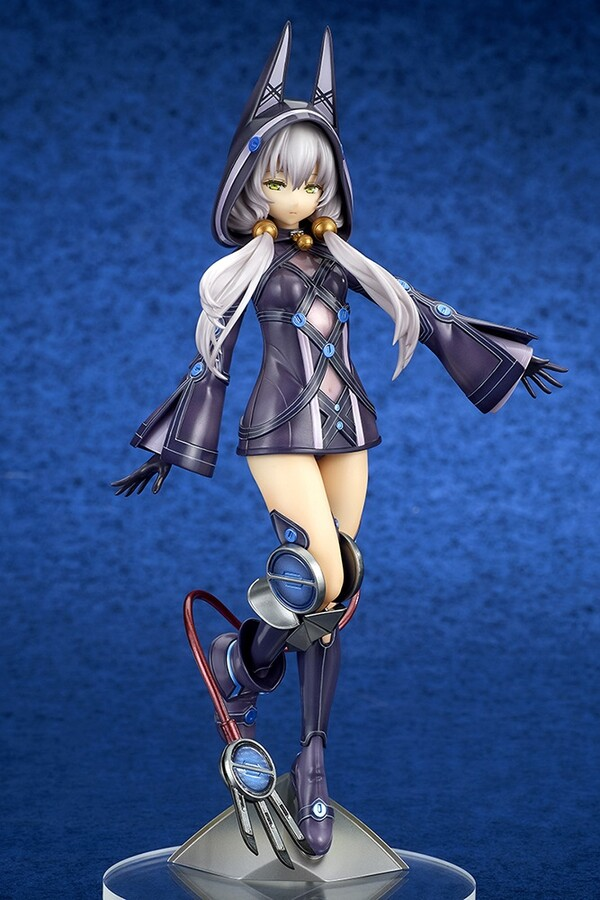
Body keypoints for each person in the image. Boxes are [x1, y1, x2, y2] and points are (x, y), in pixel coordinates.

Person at [114, 23, 565, 857]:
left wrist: (506, 357)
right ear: (251, 183)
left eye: (312, 180)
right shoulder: (248, 269)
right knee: (317, 573)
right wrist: (170, 445)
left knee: (336, 589)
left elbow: (422, 311)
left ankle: (291, 725)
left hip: (346, 425)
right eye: (280, 180)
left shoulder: (341, 259)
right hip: (280, 429)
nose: (298, 194)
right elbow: (211, 359)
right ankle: (250, 669)